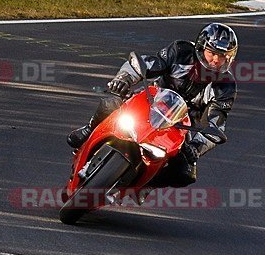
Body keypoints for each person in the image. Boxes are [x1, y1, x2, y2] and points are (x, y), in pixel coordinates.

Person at [67, 22, 238, 188]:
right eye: (212, 53)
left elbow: (216, 126)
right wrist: (123, 79)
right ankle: (89, 129)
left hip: (181, 127)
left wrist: (195, 148)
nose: (216, 60)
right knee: (111, 103)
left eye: (222, 56)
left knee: (185, 174)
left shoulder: (226, 85)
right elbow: (146, 63)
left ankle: (144, 185)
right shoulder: (181, 51)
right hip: (151, 101)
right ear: (201, 48)